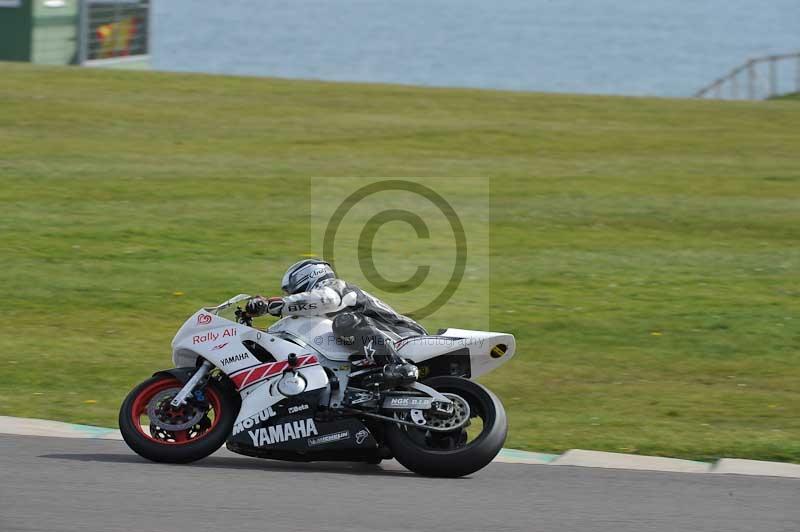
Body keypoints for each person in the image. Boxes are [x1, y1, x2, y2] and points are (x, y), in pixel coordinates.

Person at [246, 259, 423, 385]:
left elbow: (326, 299)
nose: (289, 294)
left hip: (403, 334)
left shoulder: (334, 287)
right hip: (382, 339)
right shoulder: (320, 313)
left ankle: (397, 365)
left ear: (304, 278)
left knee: (345, 322)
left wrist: (272, 305)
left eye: (290, 291)